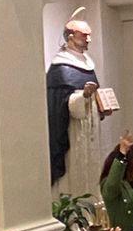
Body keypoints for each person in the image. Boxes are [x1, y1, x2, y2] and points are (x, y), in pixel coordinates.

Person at [46, 9, 111, 187]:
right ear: (71, 36)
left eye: (89, 36)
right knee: (76, 172)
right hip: (72, 133)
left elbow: (93, 96)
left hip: (90, 130)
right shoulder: (61, 68)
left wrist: (102, 106)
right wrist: (83, 96)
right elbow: (61, 105)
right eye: (84, 35)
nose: (88, 39)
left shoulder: (86, 63)